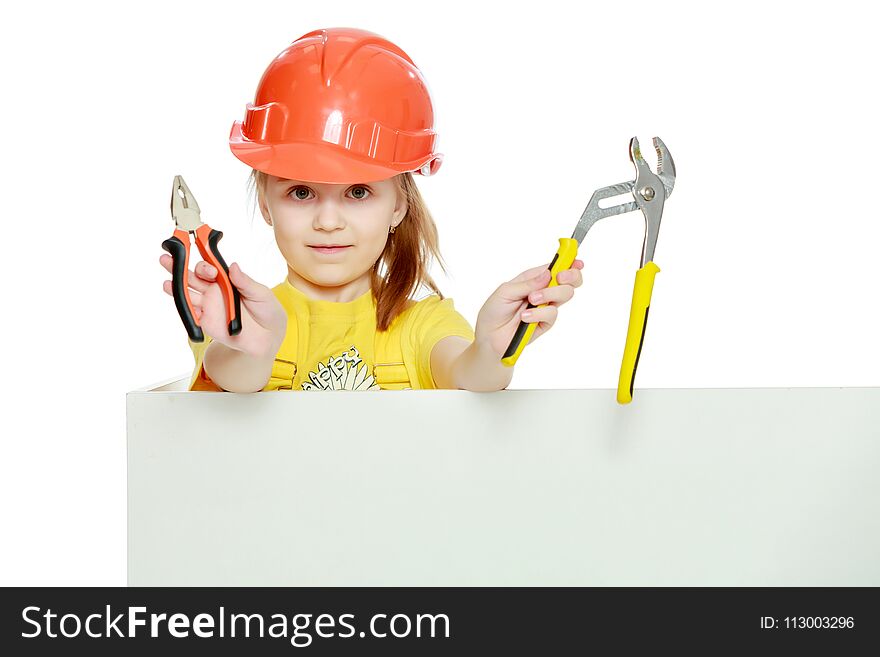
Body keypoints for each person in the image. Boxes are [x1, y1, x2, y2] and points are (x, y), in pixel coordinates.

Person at [159, 27, 583, 393]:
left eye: (358, 192)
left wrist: (492, 352)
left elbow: (467, 374)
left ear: (398, 204)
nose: (328, 221)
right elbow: (231, 376)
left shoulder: (422, 324)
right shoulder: (238, 318)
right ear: (265, 203)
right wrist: (257, 348)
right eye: (301, 192)